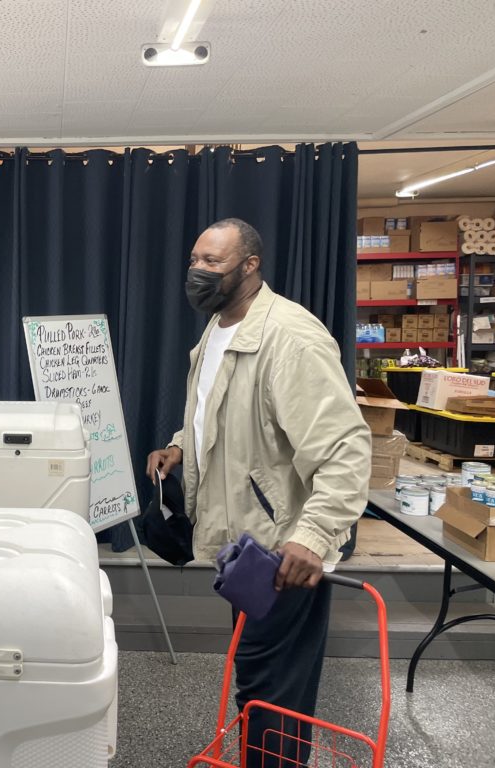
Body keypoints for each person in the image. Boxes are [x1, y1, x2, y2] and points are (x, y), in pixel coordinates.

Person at [145, 218, 370, 767]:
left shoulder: (290, 338)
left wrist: (313, 537)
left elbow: (344, 448)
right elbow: (219, 409)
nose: (198, 272)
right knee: (256, 681)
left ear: (250, 266)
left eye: (212, 263)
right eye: (194, 260)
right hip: (244, 543)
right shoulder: (220, 327)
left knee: (275, 695)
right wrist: (181, 445)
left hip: (281, 550)